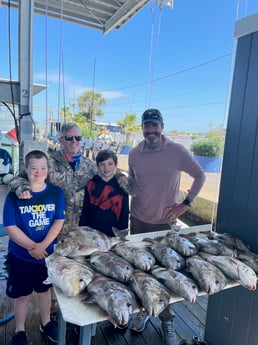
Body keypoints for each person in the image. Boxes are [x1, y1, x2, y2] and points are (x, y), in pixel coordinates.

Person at [128, 109, 206, 345]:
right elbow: (133, 186)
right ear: (142, 128)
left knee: (167, 274)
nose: (151, 131)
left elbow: (200, 176)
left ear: (162, 126)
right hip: (138, 221)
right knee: (141, 272)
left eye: (155, 126)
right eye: (147, 126)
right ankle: (143, 312)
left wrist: (185, 205)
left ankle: (167, 320)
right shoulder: (133, 154)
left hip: (164, 224)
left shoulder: (177, 151)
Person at [9, 123, 132, 237]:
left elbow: (107, 173)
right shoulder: (48, 163)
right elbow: (17, 179)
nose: (74, 141)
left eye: (77, 138)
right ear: (61, 140)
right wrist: (24, 188)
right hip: (54, 229)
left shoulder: (90, 165)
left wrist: (120, 175)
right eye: (69, 138)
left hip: (82, 232)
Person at [3, 150, 66, 345]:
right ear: (26, 169)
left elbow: (59, 221)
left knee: (44, 291)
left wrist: (44, 246)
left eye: (42, 168)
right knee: (22, 296)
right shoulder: (14, 196)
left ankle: (46, 323)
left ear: (48, 170)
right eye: (33, 168)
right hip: (21, 256)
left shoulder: (56, 193)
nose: (38, 172)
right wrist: (33, 247)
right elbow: (10, 226)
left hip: (46, 256)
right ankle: (19, 330)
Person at [79, 149, 129, 236]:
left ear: (116, 165)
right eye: (102, 164)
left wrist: (123, 233)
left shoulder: (122, 185)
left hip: (113, 232)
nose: (106, 168)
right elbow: (85, 210)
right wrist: (82, 231)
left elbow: (124, 212)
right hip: (93, 232)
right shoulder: (91, 184)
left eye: (110, 164)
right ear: (97, 166)